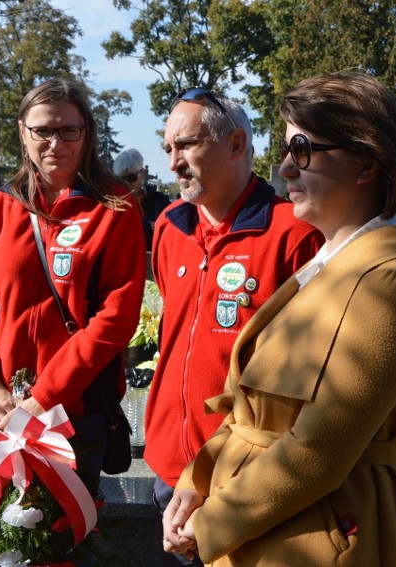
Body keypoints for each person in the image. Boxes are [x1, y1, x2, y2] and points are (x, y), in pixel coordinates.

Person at [161, 70, 396, 566]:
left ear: (365, 163)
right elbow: (248, 408)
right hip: (265, 530)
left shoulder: (392, 283)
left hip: (320, 536)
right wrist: (196, 480)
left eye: (303, 148)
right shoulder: (327, 265)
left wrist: (210, 523)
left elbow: (320, 450)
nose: (287, 168)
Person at [146, 86, 323, 561]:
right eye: (168, 149)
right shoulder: (168, 225)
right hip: (170, 467)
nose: (173, 163)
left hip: (244, 472)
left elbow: (305, 369)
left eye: (185, 145)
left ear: (237, 145)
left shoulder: (294, 233)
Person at [0, 78, 146, 491]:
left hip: (74, 412)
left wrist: (45, 396)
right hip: (2, 409)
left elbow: (117, 316)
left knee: (66, 544)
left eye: (68, 130)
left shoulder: (114, 208)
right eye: (42, 130)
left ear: (86, 134)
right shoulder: (2, 206)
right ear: (23, 133)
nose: (55, 142)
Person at [113, 147, 172, 251]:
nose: (125, 184)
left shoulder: (160, 204)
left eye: (131, 178)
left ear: (143, 174)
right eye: (120, 180)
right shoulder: (110, 205)